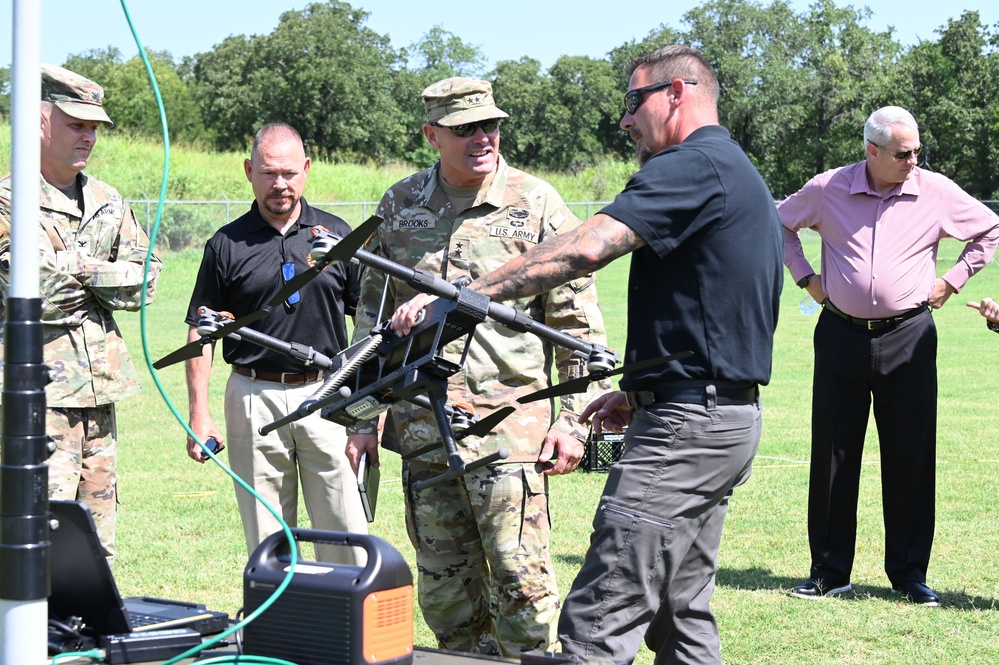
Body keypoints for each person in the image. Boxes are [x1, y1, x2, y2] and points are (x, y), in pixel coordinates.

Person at [413, 47, 784, 664]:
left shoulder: (692, 164)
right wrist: (642, 390)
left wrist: (463, 296)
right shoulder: (730, 169)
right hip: (715, 417)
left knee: (601, 610)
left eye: (634, 102)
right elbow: (715, 312)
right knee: (678, 611)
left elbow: (587, 247)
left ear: (677, 93)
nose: (625, 120)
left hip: (690, 428)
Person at [344, 77, 609, 656]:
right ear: (432, 135)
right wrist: (362, 420)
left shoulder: (536, 203)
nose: (483, 138)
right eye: (465, 129)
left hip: (510, 433)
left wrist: (573, 421)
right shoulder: (399, 205)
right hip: (421, 435)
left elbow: (576, 324)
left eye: (490, 125)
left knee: (522, 588)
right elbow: (371, 324)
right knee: (447, 598)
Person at [780, 106, 999, 606]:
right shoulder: (827, 187)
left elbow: (990, 230)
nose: (913, 160)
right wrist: (806, 279)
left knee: (911, 455)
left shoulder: (936, 190)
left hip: (909, 336)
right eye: (904, 153)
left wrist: (951, 280)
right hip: (840, 333)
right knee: (834, 454)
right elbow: (780, 225)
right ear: (871, 151)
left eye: (918, 150)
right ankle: (829, 572)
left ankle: (908, 574)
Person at [0, 64, 162, 565]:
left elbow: (149, 279)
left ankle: (88, 642)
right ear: (38, 120)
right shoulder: (9, 201)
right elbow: (32, 292)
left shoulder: (107, 200)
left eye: (94, 127)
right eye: (77, 124)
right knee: (35, 541)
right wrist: (104, 272)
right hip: (35, 398)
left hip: (98, 398)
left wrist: (75, 267)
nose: (89, 136)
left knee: (96, 548)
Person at [184, 123, 367, 563]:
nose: (279, 184)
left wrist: (366, 416)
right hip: (252, 394)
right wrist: (199, 413)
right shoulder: (226, 244)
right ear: (249, 171)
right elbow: (200, 329)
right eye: (268, 173)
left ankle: (346, 630)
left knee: (346, 534)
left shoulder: (337, 236)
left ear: (306, 169)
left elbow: (368, 325)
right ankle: (279, 629)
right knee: (268, 540)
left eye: (288, 172)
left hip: (328, 394)